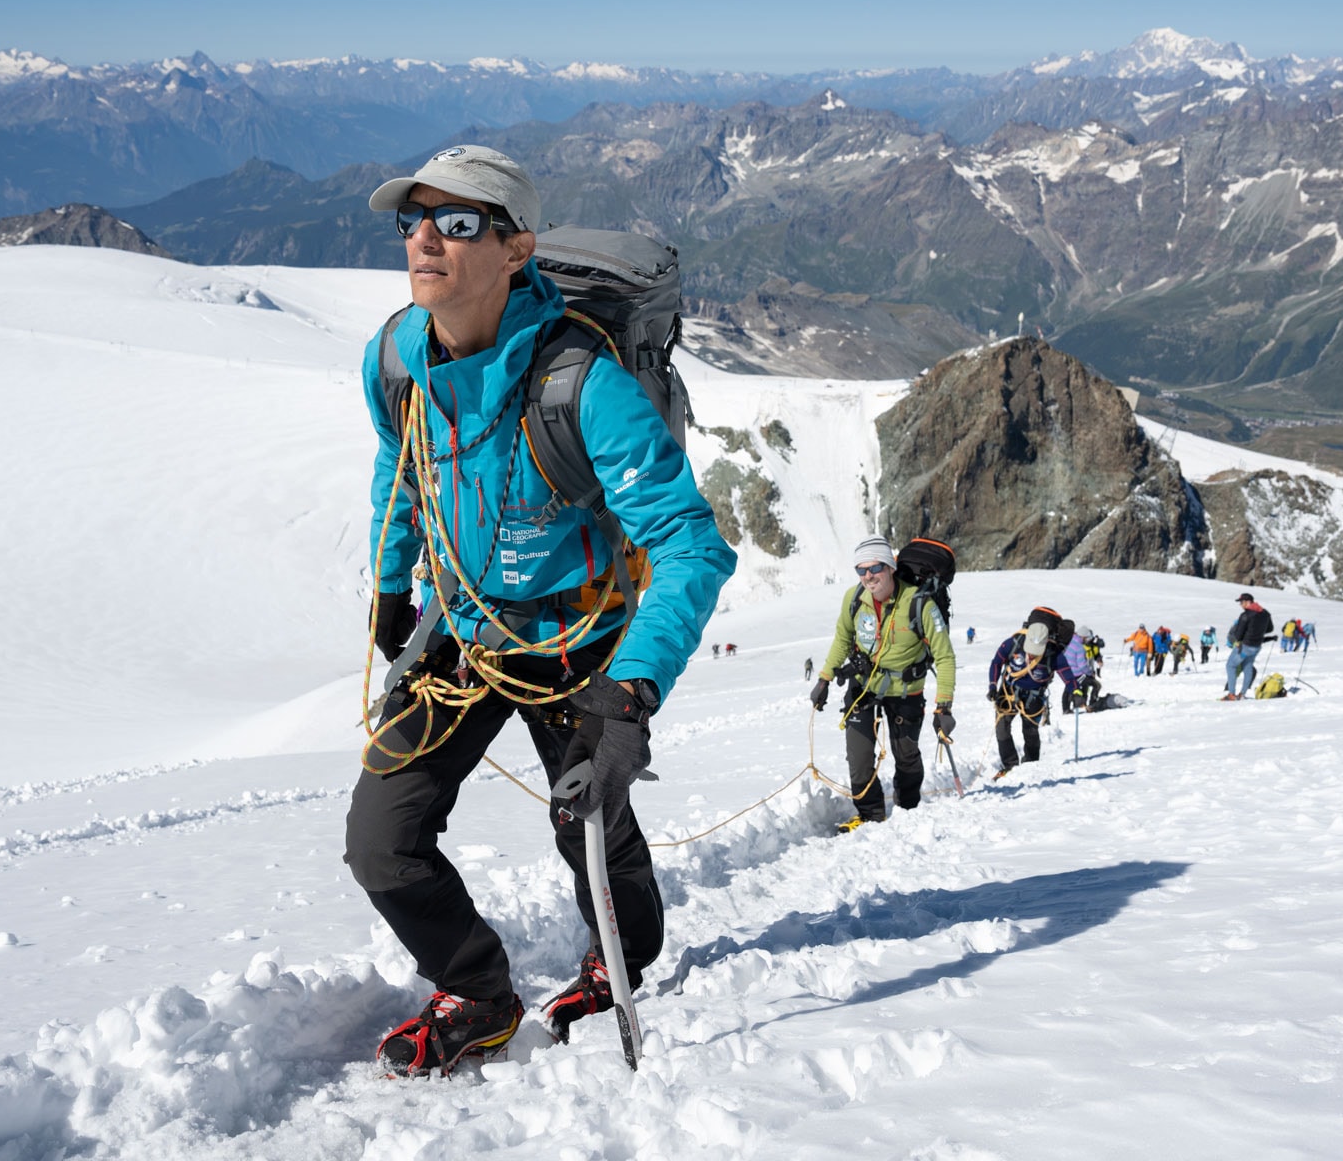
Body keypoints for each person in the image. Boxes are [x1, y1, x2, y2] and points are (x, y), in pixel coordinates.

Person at [346, 145, 736, 1076]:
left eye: (460, 221)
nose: (427, 239)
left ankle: (621, 960)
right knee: (382, 842)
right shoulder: (396, 359)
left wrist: (630, 695)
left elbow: (691, 544)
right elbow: (401, 469)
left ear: (516, 247)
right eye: (414, 219)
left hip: (577, 639)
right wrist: (392, 583)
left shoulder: (584, 386)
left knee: (589, 820)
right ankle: (478, 993)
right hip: (464, 630)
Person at [809, 537, 956, 831]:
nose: (868, 576)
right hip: (864, 687)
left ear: (889, 566)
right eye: (860, 570)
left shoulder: (920, 603)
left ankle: (908, 808)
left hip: (906, 691)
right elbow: (843, 639)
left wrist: (944, 707)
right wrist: (824, 679)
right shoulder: (854, 599)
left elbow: (945, 657)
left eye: (874, 567)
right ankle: (870, 815)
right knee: (859, 757)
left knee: (907, 756)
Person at [988, 615, 1077, 773]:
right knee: (1001, 727)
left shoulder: (1053, 655)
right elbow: (996, 662)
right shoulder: (1013, 643)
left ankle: (1031, 765)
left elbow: (1068, 676)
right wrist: (993, 686)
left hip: (1034, 696)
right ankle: (1010, 765)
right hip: (1008, 692)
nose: (1031, 655)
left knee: (1030, 730)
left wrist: (1076, 692)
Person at [1221, 591, 1274, 700]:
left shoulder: (1245, 615)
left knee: (1230, 666)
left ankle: (1231, 694)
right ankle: (1242, 694)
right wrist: (1257, 632)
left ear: (1247, 602)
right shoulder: (1265, 613)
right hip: (1257, 646)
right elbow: (1270, 629)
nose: (1240, 604)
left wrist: (1239, 638)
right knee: (1248, 666)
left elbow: (1238, 634)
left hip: (1245, 646)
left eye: (1241, 602)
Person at [1061, 627, 1101, 712]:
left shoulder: (1070, 642)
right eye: (1088, 638)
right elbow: (1082, 665)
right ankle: (1092, 705)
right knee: (1096, 685)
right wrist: (1090, 673)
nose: (1088, 640)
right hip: (1077, 674)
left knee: (1069, 689)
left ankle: (1066, 709)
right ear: (1083, 637)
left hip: (1067, 672)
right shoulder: (1079, 647)